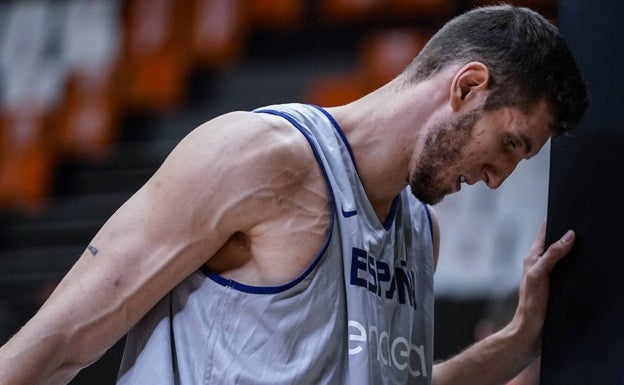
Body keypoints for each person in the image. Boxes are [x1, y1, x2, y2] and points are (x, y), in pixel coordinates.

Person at [0, 4, 588, 385]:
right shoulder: (257, 158)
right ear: (467, 86)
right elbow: (60, 340)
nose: (499, 177)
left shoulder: (418, 235)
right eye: (511, 143)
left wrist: (518, 342)